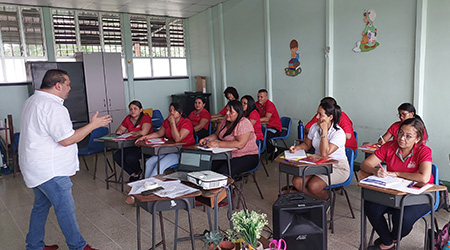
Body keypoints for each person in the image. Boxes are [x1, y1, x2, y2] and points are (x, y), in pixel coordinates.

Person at [19, 69, 111, 250]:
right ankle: (78, 246)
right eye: (68, 84)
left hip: (34, 167)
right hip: (50, 170)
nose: (70, 88)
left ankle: (34, 245)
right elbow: (67, 139)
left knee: (40, 206)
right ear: (58, 85)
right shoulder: (53, 107)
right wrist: (92, 126)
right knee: (65, 209)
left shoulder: (32, 101)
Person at [360, 117, 432, 250]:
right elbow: (366, 164)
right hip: (394, 192)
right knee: (371, 206)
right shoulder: (389, 146)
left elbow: (424, 178)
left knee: (402, 216)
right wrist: (375, 171)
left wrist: (398, 173)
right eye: (400, 133)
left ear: (417, 139)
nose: (402, 138)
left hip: (420, 195)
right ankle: (388, 243)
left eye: (408, 136)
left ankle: (390, 239)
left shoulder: (424, 150)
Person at [288, 101, 350, 200]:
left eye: (320, 114)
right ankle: (316, 203)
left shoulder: (339, 133)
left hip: (337, 167)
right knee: (297, 181)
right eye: (317, 113)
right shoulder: (314, 127)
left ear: (330, 117)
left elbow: (324, 153)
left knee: (314, 186)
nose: (317, 117)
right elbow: (307, 145)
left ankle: (326, 201)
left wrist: (324, 131)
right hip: (318, 164)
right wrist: (297, 148)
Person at [199, 100, 259, 177]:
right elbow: (217, 135)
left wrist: (217, 144)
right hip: (227, 155)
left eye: (231, 112)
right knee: (207, 167)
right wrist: (206, 139)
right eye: (227, 110)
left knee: (221, 173)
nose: (227, 113)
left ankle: (226, 188)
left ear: (238, 113)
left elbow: (240, 144)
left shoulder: (244, 123)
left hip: (246, 156)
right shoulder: (225, 120)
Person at [136, 102, 195, 178]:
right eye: (170, 110)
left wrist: (172, 123)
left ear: (180, 112)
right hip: (169, 150)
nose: (172, 113)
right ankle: (146, 184)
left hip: (182, 152)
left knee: (160, 165)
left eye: (174, 110)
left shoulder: (186, 122)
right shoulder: (167, 121)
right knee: (149, 162)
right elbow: (158, 133)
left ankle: (153, 186)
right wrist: (144, 137)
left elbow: (178, 139)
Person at [113, 100, 152, 182]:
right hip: (131, 145)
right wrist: (120, 131)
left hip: (144, 145)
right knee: (117, 156)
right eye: (131, 109)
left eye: (135, 109)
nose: (132, 111)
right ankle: (134, 173)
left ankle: (138, 171)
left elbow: (144, 132)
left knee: (130, 158)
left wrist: (132, 132)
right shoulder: (128, 118)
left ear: (141, 110)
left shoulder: (145, 117)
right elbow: (120, 129)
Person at [256, 89, 282, 155]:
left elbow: (267, 118)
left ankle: (274, 150)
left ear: (266, 97)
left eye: (261, 97)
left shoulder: (270, 105)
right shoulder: (256, 104)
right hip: (263, 126)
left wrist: (254, 120)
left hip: (274, 128)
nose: (259, 99)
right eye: (258, 97)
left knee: (264, 136)